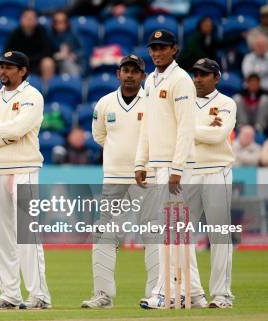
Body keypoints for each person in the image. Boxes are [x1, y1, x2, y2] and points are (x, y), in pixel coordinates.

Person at [0, 51, 51, 309]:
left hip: (24, 169)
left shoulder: (32, 96)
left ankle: (39, 295)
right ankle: (10, 294)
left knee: (27, 235)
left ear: (23, 71)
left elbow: (20, 128)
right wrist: (6, 135)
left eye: (9, 67)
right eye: (1, 67)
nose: (3, 71)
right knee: (2, 236)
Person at [135, 30, 206, 309]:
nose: (156, 52)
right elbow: (147, 125)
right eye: (153, 48)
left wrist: (177, 167)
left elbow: (186, 127)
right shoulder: (151, 80)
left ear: (174, 49)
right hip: (159, 165)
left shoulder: (180, 80)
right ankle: (196, 293)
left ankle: (167, 293)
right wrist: (141, 161)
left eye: (162, 48)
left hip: (177, 167)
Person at [84, 54, 158, 308]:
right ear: (118, 74)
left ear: (143, 76)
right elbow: (100, 136)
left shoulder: (151, 102)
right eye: (125, 70)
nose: (129, 75)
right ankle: (102, 295)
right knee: (104, 234)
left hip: (145, 177)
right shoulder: (105, 103)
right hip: (114, 178)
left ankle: (155, 293)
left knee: (152, 233)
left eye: (134, 71)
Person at [189, 58, 236, 308]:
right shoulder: (184, 103)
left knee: (219, 234)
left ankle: (222, 294)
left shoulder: (226, 103)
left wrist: (186, 130)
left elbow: (217, 135)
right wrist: (199, 130)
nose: (198, 78)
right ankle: (194, 293)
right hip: (189, 171)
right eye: (195, 74)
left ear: (216, 77)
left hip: (217, 170)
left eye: (204, 74)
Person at [4, 8, 52, 75]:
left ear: (36, 20)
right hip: (19, 64)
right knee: (2, 64)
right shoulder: (15, 33)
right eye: (27, 17)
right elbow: (7, 52)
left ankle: (47, 85)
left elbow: (47, 51)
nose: (29, 20)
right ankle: (5, 85)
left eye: (32, 17)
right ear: (21, 19)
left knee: (48, 62)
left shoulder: (41, 31)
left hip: (37, 63)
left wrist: (30, 60)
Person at [49, 10, 82, 76]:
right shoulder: (50, 36)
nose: (59, 25)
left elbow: (81, 51)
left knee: (68, 63)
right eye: (56, 22)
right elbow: (47, 53)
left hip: (72, 62)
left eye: (62, 22)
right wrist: (57, 55)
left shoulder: (73, 35)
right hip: (55, 64)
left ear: (67, 23)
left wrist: (73, 55)